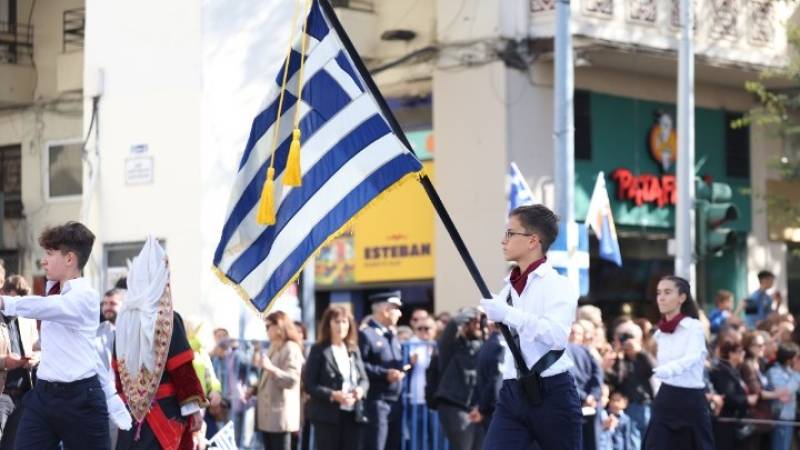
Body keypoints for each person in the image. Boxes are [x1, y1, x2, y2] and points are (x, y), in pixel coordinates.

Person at [0, 222, 132, 449]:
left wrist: (4, 302)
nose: (44, 260)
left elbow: (49, 307)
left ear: (70, 259)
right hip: (43, 396)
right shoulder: (56, 293)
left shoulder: (85, 297)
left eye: (50, 253)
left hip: (81, 401)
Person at [480, 204, 582, 450]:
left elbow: (557, 336)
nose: (503, 240)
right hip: (512, 390)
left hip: (552, 391)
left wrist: (509, 314)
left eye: (510, 233)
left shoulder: (558, 284)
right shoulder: (508, 289)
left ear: (532, 241)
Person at [114, 237, 206, 450]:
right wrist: (194, 413)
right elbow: (182, 369)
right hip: (165, 412)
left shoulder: (123, 319)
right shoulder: (168, 318)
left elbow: (116, 367)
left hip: (130, 413)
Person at [642, 276, 713, 450]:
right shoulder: (660, 332)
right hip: (666, 396)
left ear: (682, 298)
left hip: (691, 400)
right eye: (659, 293)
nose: (661, 298)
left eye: (667, 292)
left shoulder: (694, 327)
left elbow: (693, 357)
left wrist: (668, 370)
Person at [303, 306, 369, 450]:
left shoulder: (353, 349)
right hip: (327, 416)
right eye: (336, 321)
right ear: (329, 324)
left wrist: (360, 390)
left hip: (353, 414)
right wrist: (333, 395)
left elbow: (364, 379)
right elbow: (309, 384)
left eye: (344, 322)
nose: (341, 326)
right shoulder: (319, 349)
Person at [433, 307, 485, 450]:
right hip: (455, 406)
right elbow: (452, 326)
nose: (478, 325)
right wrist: (473, 312)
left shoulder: (482, 346)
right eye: (474, 322)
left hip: (476, 408)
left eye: (480, 322)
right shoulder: (451, 346)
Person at [359, 292, 405, 450]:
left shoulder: (391, 335)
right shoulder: (366, 335)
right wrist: (385, 374)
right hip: (376, 401)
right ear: (385, 310)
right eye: (396, 308)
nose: (400, 313)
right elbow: (359, 366)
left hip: (395, 401)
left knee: (394, 445)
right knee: (376, 445)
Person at [0, 274, 39, 450]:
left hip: (24, 395)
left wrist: (36, 358)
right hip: (2, 394)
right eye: (15, 301)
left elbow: (38, 348)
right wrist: (5, 361)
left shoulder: (28, 319)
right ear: (4, 295)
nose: (18, 307)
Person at [256, 310, 305, 450]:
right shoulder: (273, 346)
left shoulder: (291, 348)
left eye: (268, 326)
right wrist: (253, 388)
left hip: (280, 416)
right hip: (268, 416)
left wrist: (270, 368)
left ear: (279, 326)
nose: (266, 331)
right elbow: (266, 377)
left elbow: (292, 379)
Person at [709, 336, 752, 450]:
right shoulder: (721, 371)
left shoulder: (734, 370)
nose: (743, 353)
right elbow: (728, 396)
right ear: (731, 354)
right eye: (740, 351)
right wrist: (747, 400)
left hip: (734, 422)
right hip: (724, 423)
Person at [96, 288, 126, 448]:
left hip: (129, 401)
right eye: (105, 303)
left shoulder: (132, 331)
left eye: (112, 303)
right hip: (104, 401)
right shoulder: (97, 332)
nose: (107, 307)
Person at [765, 343, 800, 450]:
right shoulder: (774, 372)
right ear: (789, 359)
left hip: (789, 418)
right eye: (797, 357)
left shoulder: (790, 372)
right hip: (780, 418)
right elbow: (783, 394)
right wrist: (797, 374)